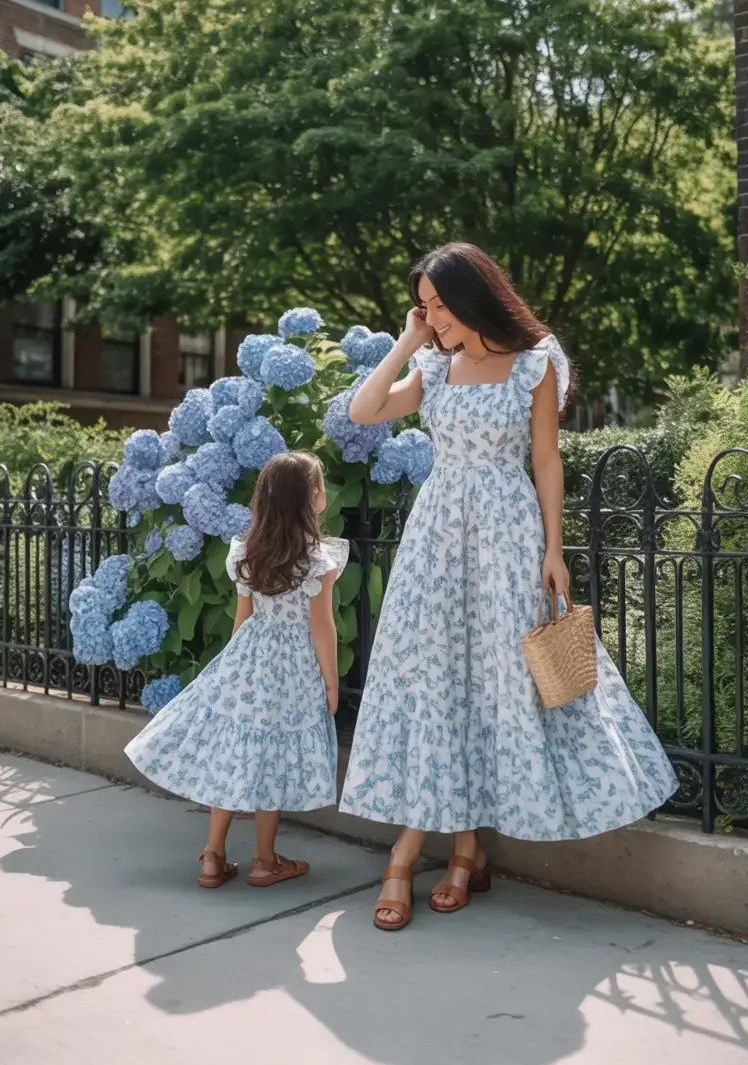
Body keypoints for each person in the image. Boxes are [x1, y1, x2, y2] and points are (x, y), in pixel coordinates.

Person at [339, 243, 678, 931]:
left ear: (474, 297)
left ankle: (448, 855)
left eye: (440, 305)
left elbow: (546, 459)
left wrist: (554, 550)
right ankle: (452, 851)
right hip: (437, 536)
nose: (434, 318)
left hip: (507, 533)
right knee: (438, 679)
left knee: (499, 678)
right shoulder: (435, 365)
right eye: (424, 307)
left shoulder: (534, 361)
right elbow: (363, 412)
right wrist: (407, 341)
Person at [125, 451, 347, 889]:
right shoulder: (317, 560)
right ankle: (265, 860)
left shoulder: (247, 551)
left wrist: (232, 666)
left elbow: (242, 618)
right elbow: (322, 628)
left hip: (248, 658)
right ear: (310, 497)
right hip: (292, 667)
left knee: (230, 753)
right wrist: (331, 682)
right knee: (272, 756)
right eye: (319, 485)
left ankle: (213, 855)